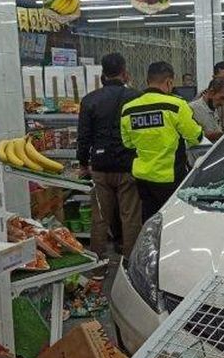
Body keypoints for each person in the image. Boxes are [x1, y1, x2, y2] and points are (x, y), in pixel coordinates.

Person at [77, 53, 142, 257]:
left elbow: (84, 136)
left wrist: (83, 163)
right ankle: (129, 261)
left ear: (102, 73)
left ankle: (97, 260)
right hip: (128, 165)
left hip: (100, 165)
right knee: (130, 216)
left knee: (100, 217)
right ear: (124, 72)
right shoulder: (136, 97)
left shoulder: (89, 100)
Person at [121, 61, 203, 222]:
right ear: (169, 82)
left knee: (150, 220)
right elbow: (195, 137)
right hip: (170, 176)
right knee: (172, 220)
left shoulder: (129, 108)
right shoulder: (176, 105)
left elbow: (128, 143)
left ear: (147, 81)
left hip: (142, 177)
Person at [189, 78, 224, 142]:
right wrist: (211, 135)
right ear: (211, 93)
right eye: (222, 98)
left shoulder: (215, 109)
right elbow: (189, 137)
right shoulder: (192, 109)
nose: (223, 103)